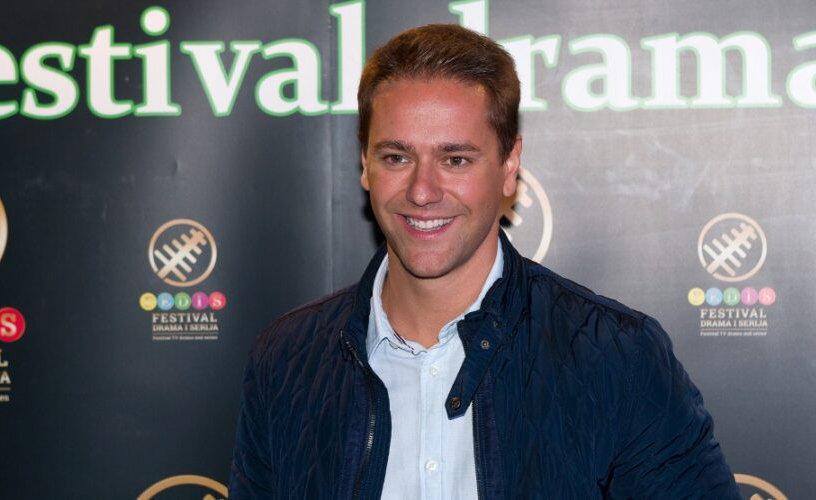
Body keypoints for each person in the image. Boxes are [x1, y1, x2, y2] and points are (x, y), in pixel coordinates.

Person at [229, 24, 740, 499]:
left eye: (455, 160)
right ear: (365, 164)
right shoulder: (286, 361)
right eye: (396, 157)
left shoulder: (618, 358)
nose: (422, 191)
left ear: (509, 165)